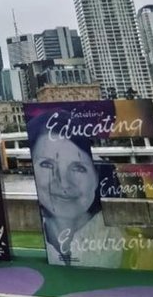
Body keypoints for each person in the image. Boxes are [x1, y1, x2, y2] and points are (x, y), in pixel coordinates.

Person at [28, 110, 120, 268]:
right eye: (47, 165)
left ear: (97, 176)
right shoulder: (33, 247)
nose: (63, 183)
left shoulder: (133, 248)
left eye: (78, 167)